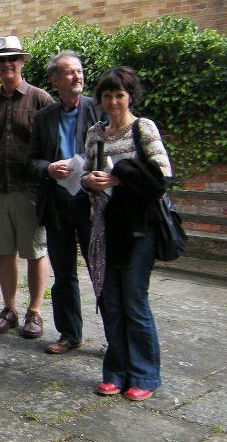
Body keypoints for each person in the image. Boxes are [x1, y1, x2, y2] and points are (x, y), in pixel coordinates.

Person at [83, 66, 171, 402]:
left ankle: (145, 374)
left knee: (134, 302)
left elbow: (162, 176)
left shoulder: (142, 129)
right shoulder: (95, 133)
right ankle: (115, 372)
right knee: (111, 303)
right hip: (104, 228)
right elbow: (88, 174)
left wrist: (119, 178)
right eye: (107, 95)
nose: (113, 101)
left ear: (130, 96)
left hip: (138, 229)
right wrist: (89, 181)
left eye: (119, 94)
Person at [0, 35, 54, 339]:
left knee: (35, 250)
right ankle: (9, 309)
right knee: (4, 251)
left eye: (12, 59)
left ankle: (35, 311)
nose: (7, 64)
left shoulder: (40, 99)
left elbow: (53, 144)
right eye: (1, 60)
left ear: (22, 62)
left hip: (31, 188)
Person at [27, 51, 102, 354]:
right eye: (69, 73)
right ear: (54, 79)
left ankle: (115, 336)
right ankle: (70, 334)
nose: (77, 78)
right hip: (57, 203)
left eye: (79, 72)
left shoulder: (98, 109)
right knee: (64, 272)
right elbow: (31, 160)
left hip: (92, 203)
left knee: (102, 271)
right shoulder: (44, 118)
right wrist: (47, 167)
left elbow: (113, 150)